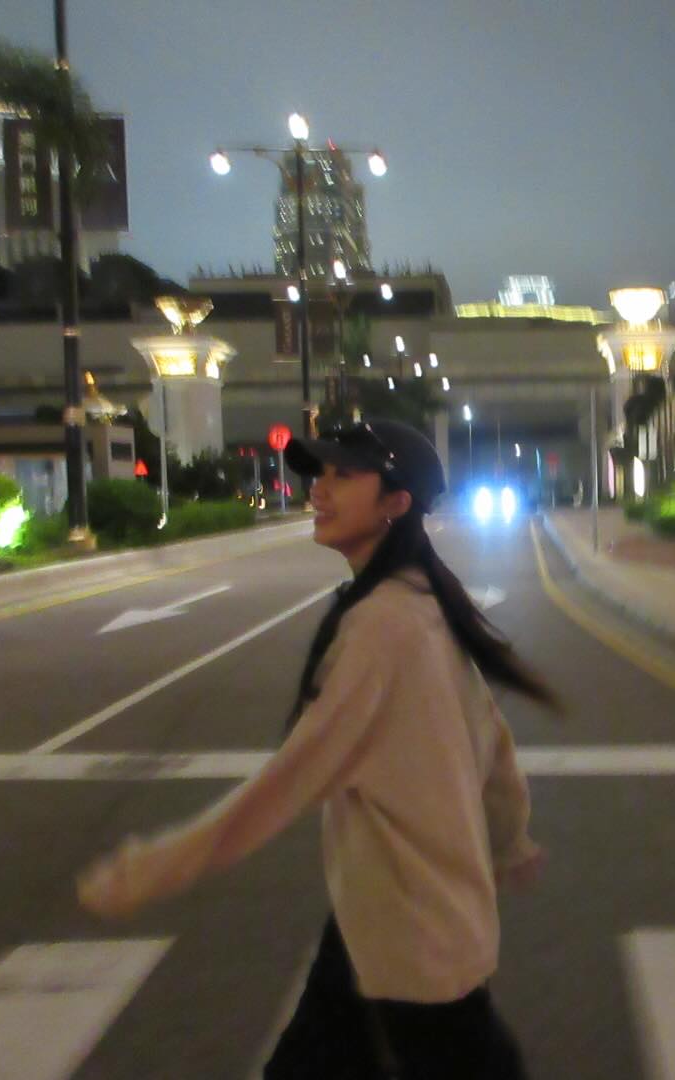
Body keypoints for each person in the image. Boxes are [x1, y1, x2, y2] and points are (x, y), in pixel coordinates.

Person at [77, 419, 554, 1079]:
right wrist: (509, 839)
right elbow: (490, 740)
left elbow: (289, 782)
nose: (319, 490)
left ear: (396, 503)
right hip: (388, 921)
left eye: (344, 476)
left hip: (412, 932)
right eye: (321, 473)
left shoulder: (383, 626)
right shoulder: (416, 599)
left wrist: (153, 870)